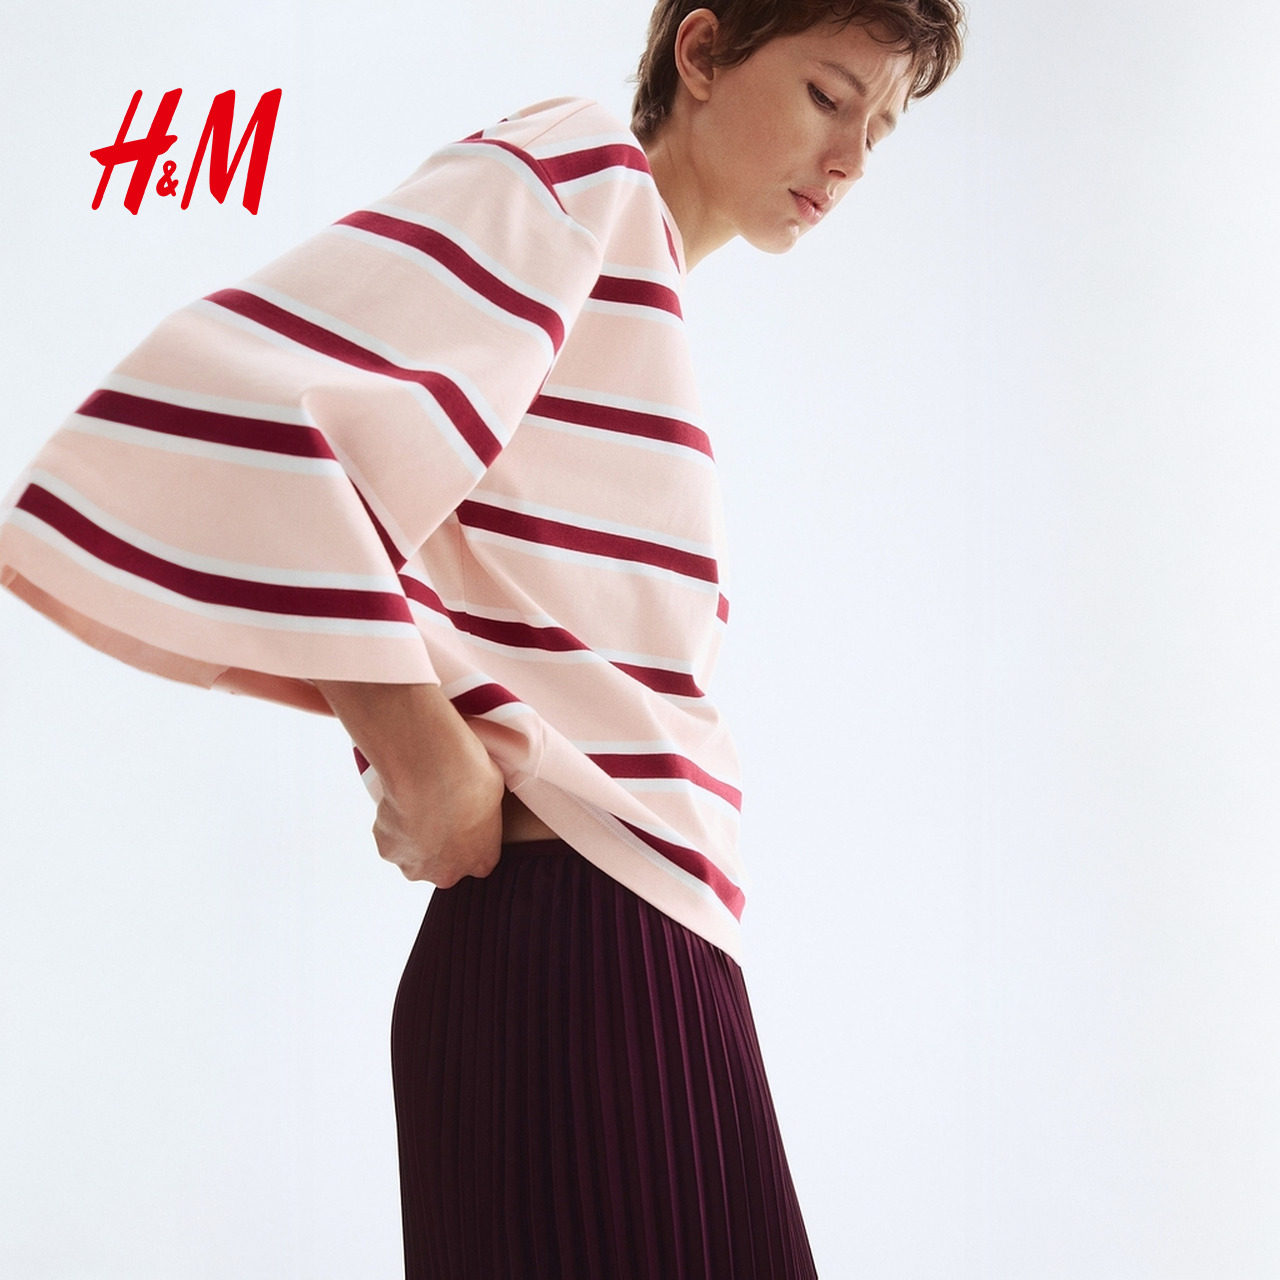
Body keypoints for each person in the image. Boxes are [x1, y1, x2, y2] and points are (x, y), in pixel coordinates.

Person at [0, 2, 965, 1276]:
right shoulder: (581, 171)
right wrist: (419, 747)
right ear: (699, 51)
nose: (847, 160)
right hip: (585, 947)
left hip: (635, 936)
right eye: (827, 96)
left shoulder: (637, 297)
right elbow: (252, 399)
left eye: (878, 132)